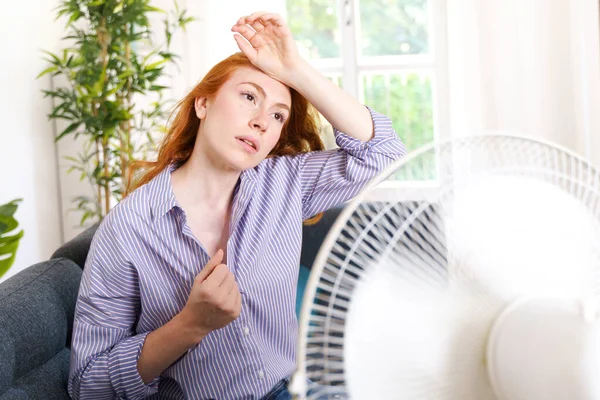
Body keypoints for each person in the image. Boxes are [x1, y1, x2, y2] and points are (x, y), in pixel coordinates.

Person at [68, 11, 406, 400]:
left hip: (293, 390)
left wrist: (295, 70)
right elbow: (88, 384)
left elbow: (384, 153)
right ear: (203, 104)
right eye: (249, 97)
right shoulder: (128, 229)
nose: (263, 121)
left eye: (278, 115)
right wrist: (190, 326)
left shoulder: (283, 183)